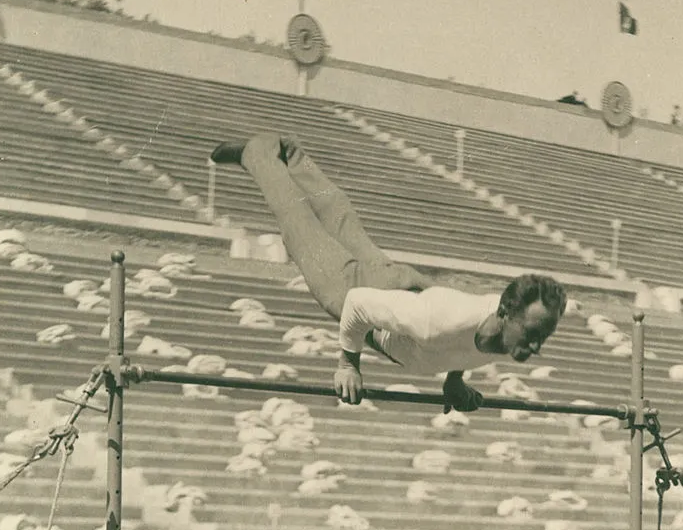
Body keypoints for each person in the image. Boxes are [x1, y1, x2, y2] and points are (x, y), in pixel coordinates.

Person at [209, 133, 566, 409]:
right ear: (504, 313)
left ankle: (289, 151)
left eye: (543, 336)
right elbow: (356, 304)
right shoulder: (437, 321)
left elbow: (468, 343)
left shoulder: (499, 324)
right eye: (533, 334)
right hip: (371, 295)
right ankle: (256, 151)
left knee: (341, 221)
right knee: (299, 223)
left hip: (404, 287)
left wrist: (454, 381)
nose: (536, 346)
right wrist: (348, 364)